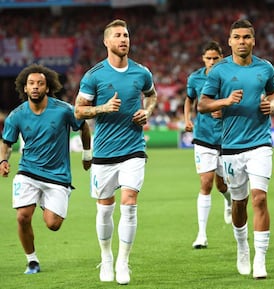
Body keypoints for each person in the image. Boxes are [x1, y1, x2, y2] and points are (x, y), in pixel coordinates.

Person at [74, 19, 157, 285]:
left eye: (127, 35)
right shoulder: (94, 75)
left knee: (130, 203)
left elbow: (151, 95)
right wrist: (102, 109)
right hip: (104, 153)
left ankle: (123, 261)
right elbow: (78, 111)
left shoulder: (141, 72)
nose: (124, 39)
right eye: (118, 36)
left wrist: (148, 111)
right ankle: (107, 257)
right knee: (104, 210)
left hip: (133, 149)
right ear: (107, 42)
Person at [198, 19, 274, 279]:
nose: (242, 41)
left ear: (253, 40)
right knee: (239, 203)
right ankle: (242, 247)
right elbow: (203, 104)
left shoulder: (265, 68)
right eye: (237, 37)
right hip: (232, 146)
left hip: (260, 143)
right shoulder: (219, 71)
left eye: (247, 37)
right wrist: (226, 101)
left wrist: (273, 103)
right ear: (230, 41)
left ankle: (260, 260)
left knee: (260, 198)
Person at [0, 63, 92, 275]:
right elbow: (6, 142)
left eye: (40, 84)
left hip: (57, 176)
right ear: (24, 88)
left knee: (53, 224)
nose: (35, 87)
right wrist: (3, 161)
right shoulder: (17, 115)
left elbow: (84, 126)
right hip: (28, 172)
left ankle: (44, 201)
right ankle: (32, 261)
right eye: (31, 83)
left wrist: (87, 154)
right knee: (23, 216)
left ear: (48, 87)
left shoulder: (63, 110)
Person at [184, 41, 232, 249]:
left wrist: (225, 109)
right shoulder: (195, 78)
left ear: (222, 57)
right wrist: (187, 118)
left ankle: (229, 201)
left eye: (215, 58)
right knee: (206, 183)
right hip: (203, 136)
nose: (212, 62)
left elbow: (241, 100)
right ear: (203, 59)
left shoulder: (230, 75)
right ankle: (201, 235)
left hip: (228, 137)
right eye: (208, 58)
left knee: (222, 185)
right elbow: (189, 99)